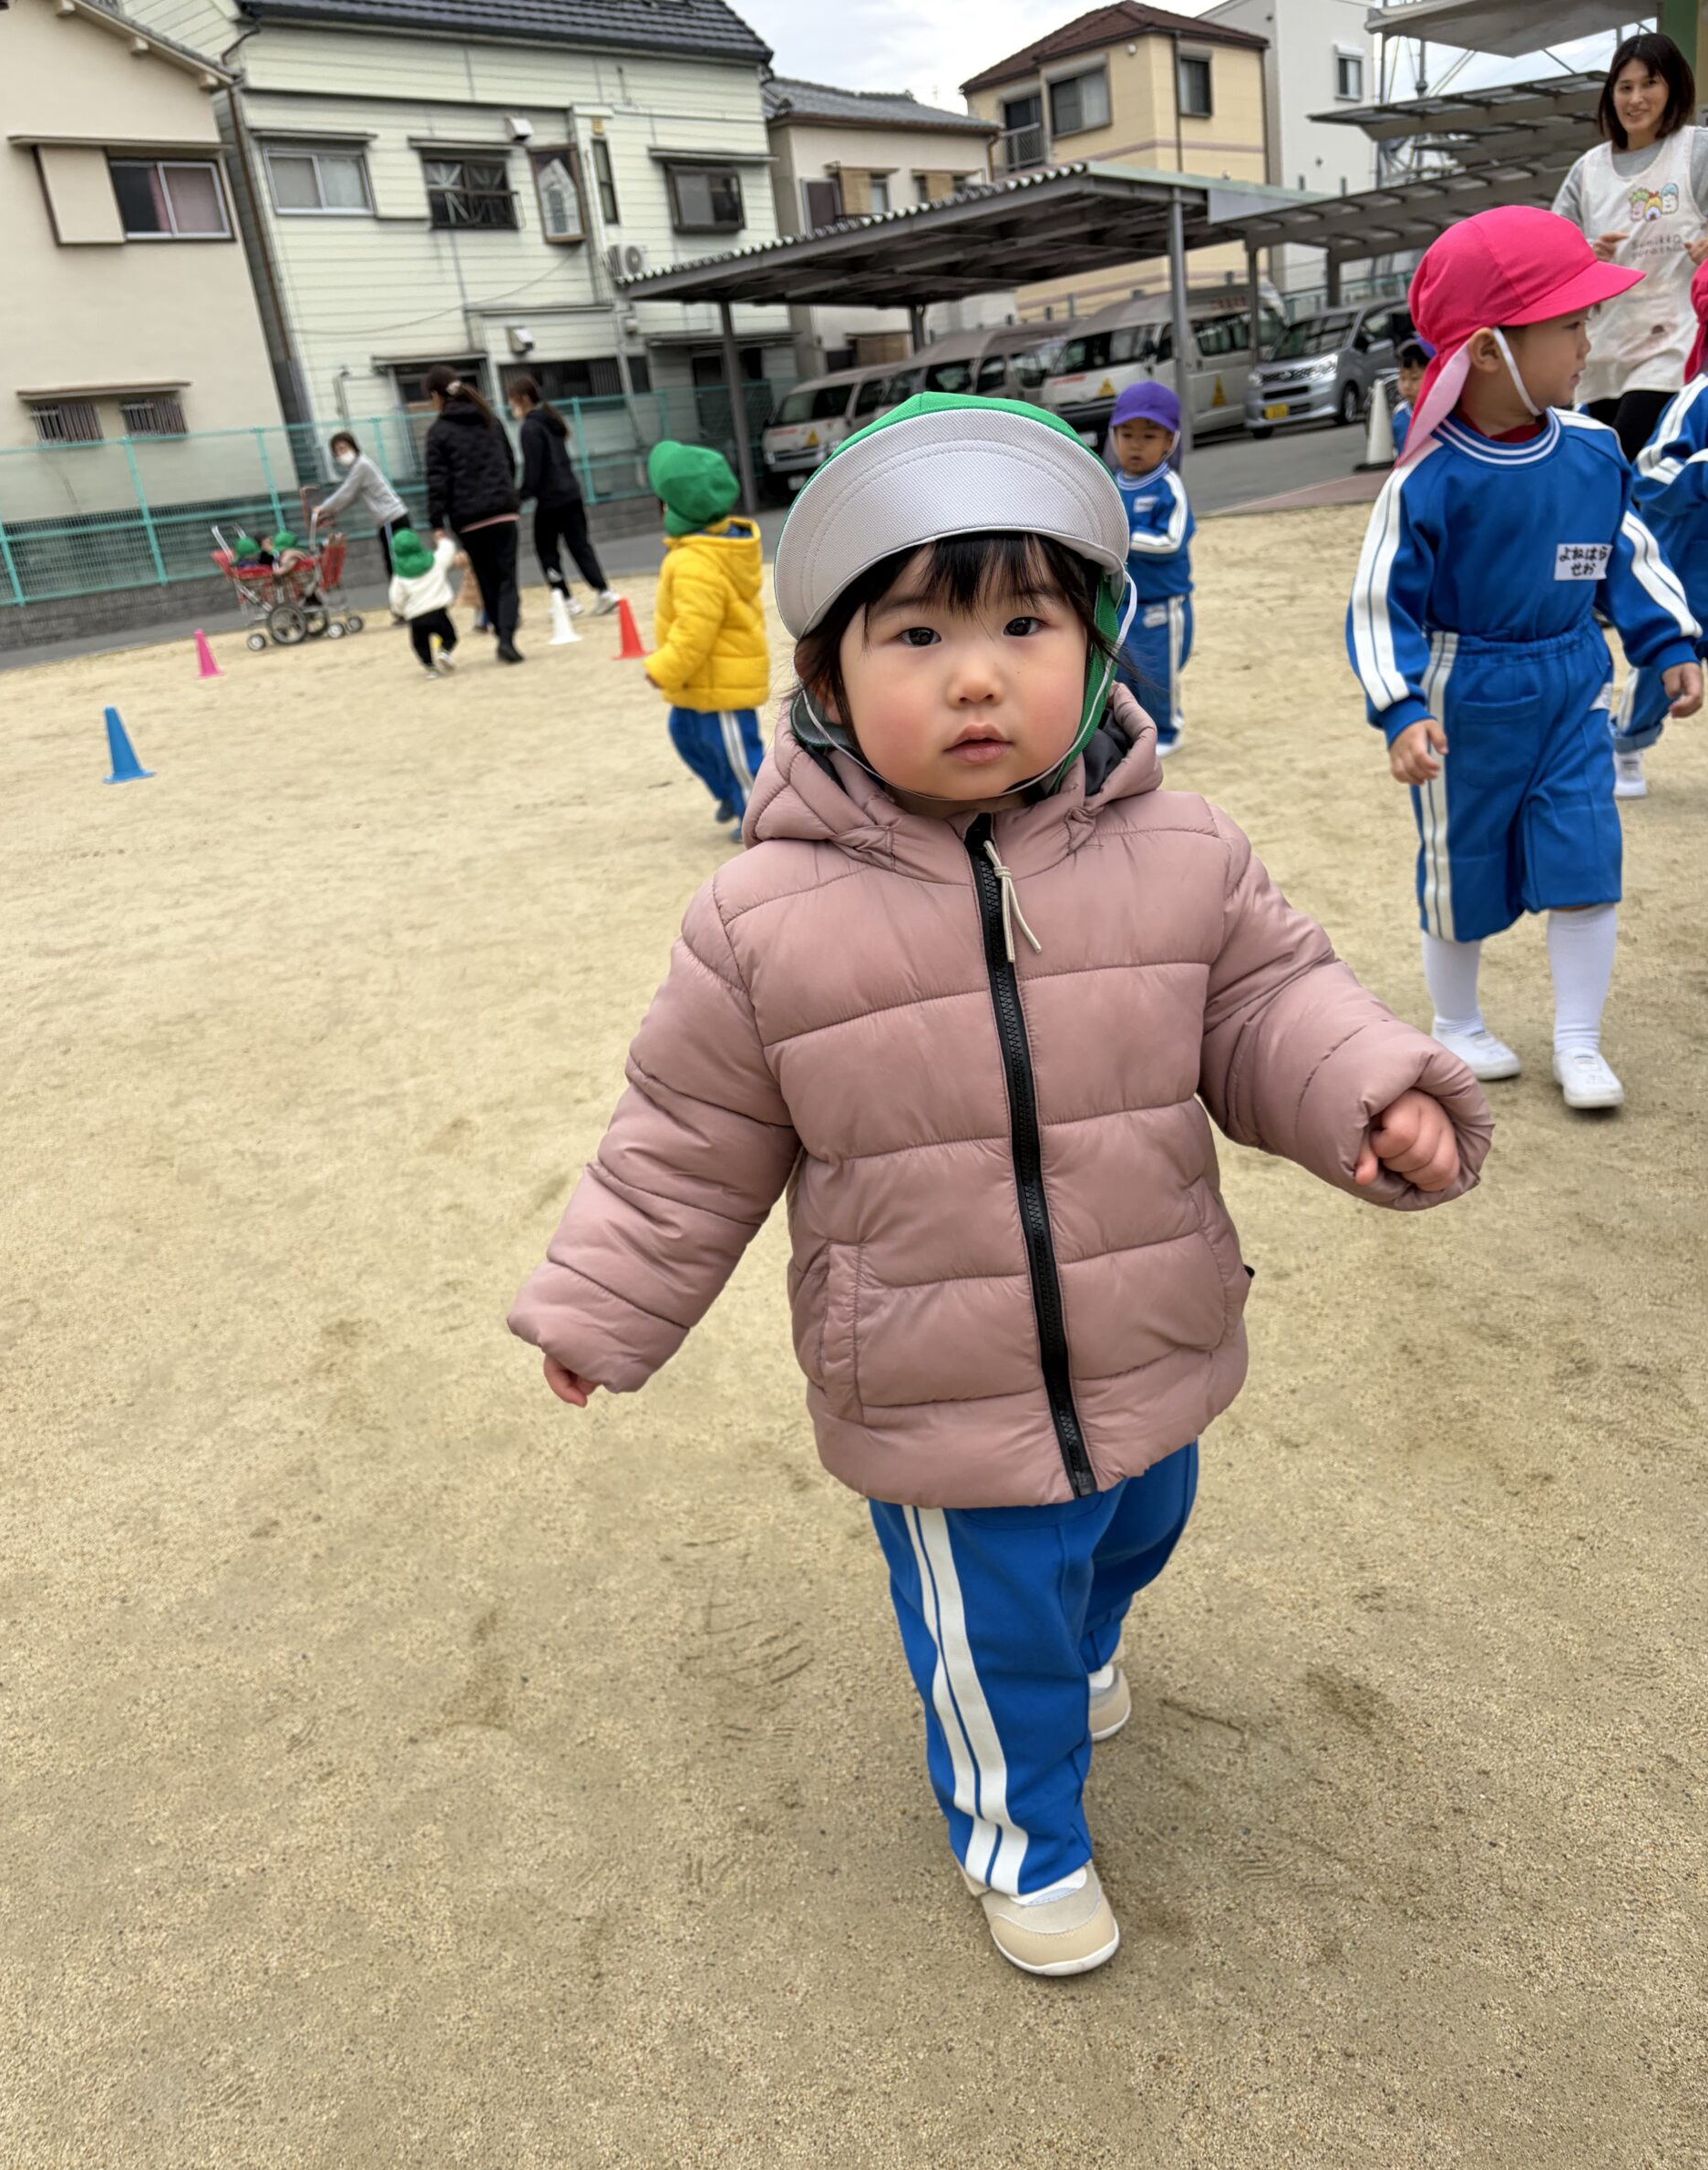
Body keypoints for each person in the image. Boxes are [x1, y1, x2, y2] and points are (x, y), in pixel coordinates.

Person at [509, 393, 1493, 1980]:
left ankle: (1089, 1642)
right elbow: (683, 1137)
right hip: (928, 1366)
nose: (976, 675)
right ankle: (1022, 1838)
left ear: (1095, 646)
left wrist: (1376, 1092)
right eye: (916, 635)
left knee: (1135, 1528)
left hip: (1149, 1319)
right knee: (991, 1627)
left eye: (1025, 624)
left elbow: (1272, 1008)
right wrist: (603, 1306)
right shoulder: (761, 921)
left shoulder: (1184, 853)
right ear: (827, 675)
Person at [1347, 207, 1704, 1116]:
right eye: (1571, 323)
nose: (1589, 341)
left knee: (1587, 855)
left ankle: (1578, 1038)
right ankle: (1456, 1021)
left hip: (1573, 684)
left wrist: (1668, 642)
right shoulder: (1427, 478)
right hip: (1464, 697)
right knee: (1462, 866)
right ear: (1489, 349)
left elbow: (1627, 552)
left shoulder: (1593, 451)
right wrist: (1400, 708)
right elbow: (1381, 601)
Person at [1553, 31, 1708, 458]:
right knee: (1606, 471)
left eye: (1649, 84)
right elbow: (1550, 259)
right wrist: (1584, 256)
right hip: (1601, 355)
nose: (1636, 98)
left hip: (1674, 347)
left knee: (1626, 459)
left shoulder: (1697, 151)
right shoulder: (1588, 171)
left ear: (1673, 87)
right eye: (1625, 87)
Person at [1611, 253, 1708, 799]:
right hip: (1682, 578)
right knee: (1660, 675)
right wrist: (1705, 472)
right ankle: (1625, 744)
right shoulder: (1700, 397)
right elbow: (1649, 472)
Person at [640, 439, 768, 839]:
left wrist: (664, 668)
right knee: (686, 736)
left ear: (673, 508)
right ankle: (729, 793)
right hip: (700, 680)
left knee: (738, 753)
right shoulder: (698, 549)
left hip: (721, 683)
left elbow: (695, 630)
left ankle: (760, 817)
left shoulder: (696, 561)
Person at [1105, 381, 1194, 755]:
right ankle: (1130, 732)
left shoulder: (1168, 486)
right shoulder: (1110, 483)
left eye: (1149, 436)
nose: (1135, 445)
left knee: (1157, 671)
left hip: (1160, 603)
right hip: (1120, 602)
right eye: (1127, 435)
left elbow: (1172, 539)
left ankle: (1167, 732)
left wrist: (1121, 536)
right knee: (1122, 671)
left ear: (1169, 441)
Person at [422, 365, 523, 663]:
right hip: (502, 511)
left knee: (486, 578)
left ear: (436, 396)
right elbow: (509, 461)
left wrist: (437, 522)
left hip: (468, 518)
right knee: (507, 578)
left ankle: (500, 633)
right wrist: (507, 493)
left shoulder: (438, 432)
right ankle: (507, 639)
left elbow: (437, 480)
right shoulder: (491, 419)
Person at [508, 375, 620, 617]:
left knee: (546, 550)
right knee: (580, 545)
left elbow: (534, 471)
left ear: (524, 399)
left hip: (550, 499)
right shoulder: (551, 421)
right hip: (571, 493)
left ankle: (565, 598)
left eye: (513, 400)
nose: (511, 406)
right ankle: (603, 591)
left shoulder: (530, 428)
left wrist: (517, 497)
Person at [314, 431, 409, 575]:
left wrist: (323, 508)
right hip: (391, 519)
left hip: (391, 519)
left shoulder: (362, 465)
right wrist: (330, 512)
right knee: (398, 562)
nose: (341, 454)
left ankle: (403, 590)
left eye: (343, 448)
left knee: (396, 564)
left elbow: (346, 491)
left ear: (353, 446)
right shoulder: (360, 466)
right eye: (337, 451)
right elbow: (352, 497)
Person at [386, 527, 465, 677]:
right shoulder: (435, 561)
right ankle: (444, 651)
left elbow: (396, 597)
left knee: (420, 644)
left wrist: (399, 611)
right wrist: (441, 540)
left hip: (416, 617)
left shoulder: (399, 574)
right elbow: (447, 551)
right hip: (438, 612)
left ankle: (430, 667)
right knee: (450, 636)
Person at [1392, 338, 1430, 457]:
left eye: (1414, 378)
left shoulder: (1446, 412)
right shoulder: (1400, 414)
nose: (1406, 386)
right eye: (1402, 378)